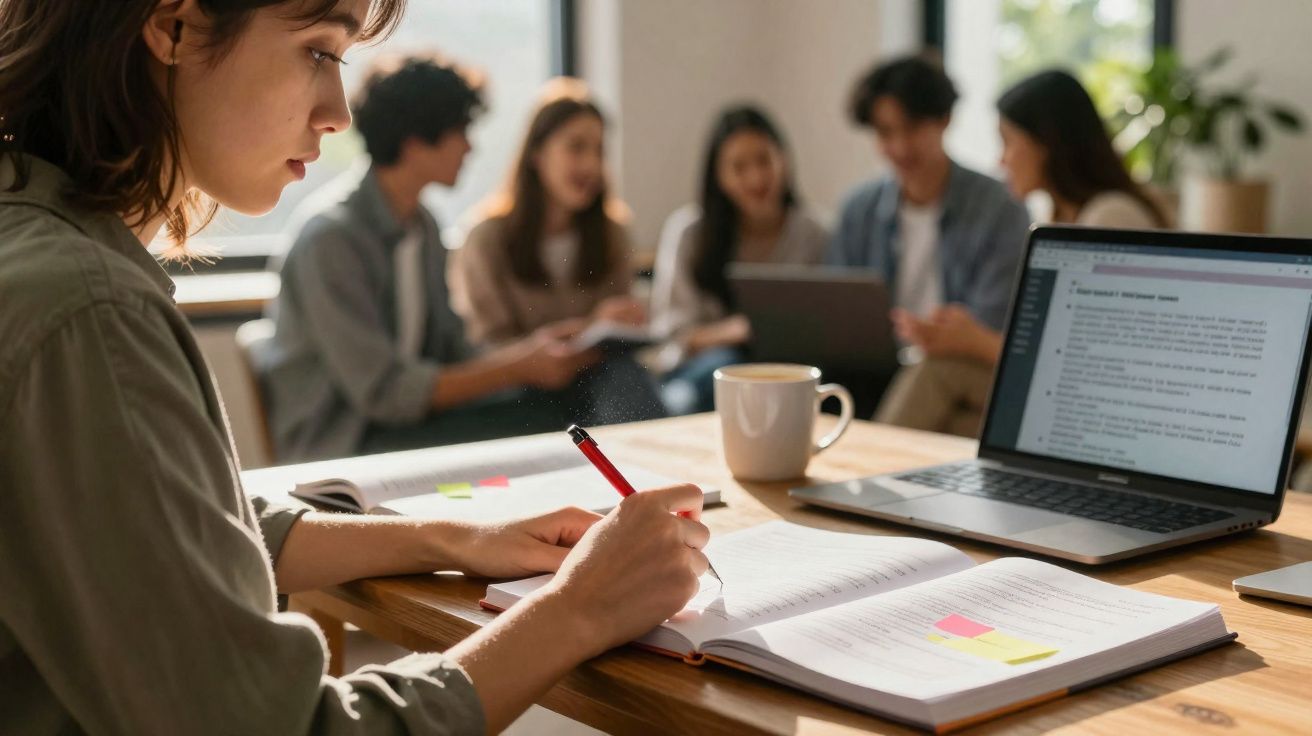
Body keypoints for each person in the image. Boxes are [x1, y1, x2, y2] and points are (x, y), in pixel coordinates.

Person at [0, 2, 708, 734]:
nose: (338, 113)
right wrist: (582, 608)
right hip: (357, 441)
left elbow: (189, 521)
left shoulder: (43, 257)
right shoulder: (89, 311)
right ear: (174, 27)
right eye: (317, 51)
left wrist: (457, 536)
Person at [264, 55, 630, 462]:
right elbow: (384, 394)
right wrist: (519, 367)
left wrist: (536, 352)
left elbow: (453, 348)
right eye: (460, 130)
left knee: (569, 403)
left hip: (409, 425)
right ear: (416, 141)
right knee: (553, 423)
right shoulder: (331, 240)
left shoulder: (422, 227)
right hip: (347, 444)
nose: (470, 146)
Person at [876, 69, 1171, 436]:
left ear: (1046, 144)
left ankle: (856, 477)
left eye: (1009, 143)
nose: (1002, 161)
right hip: (1071, 396)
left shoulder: (1111, 216)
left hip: (1105, 404)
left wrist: (973, 341)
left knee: (939, 371)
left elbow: (1087, 363)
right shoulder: (1060, 218)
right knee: (954, 421)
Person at [829, 54, 1032, 416]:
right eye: (886, 133)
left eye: (912, 128)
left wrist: (940, 335)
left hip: (956, 366)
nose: (901, 147)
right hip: (874, 370)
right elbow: (839, 317)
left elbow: (990, 323)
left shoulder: (999, 209)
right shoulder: (858, 211)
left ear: (944, 120)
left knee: (932, 372)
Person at [452, 78, 665, 421]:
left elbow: (617, 336)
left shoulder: (613, 233)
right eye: (576, 147)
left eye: (598, 151)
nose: (592, 165)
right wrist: (584, 329)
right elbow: (486, 348)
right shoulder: (485, 238)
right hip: (521, 387)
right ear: (537, 153)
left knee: (625, 378)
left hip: (598, 378)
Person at [650, 105, 828, 415]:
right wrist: (739, 330)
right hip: (705, 372)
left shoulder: (814, 232)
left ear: (783, 160)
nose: (756, 177)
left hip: (790, 368)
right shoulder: (690, 232)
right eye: (738, 167)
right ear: (718, 175)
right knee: (726, 371)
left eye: (764, 160)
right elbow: (672, 336)